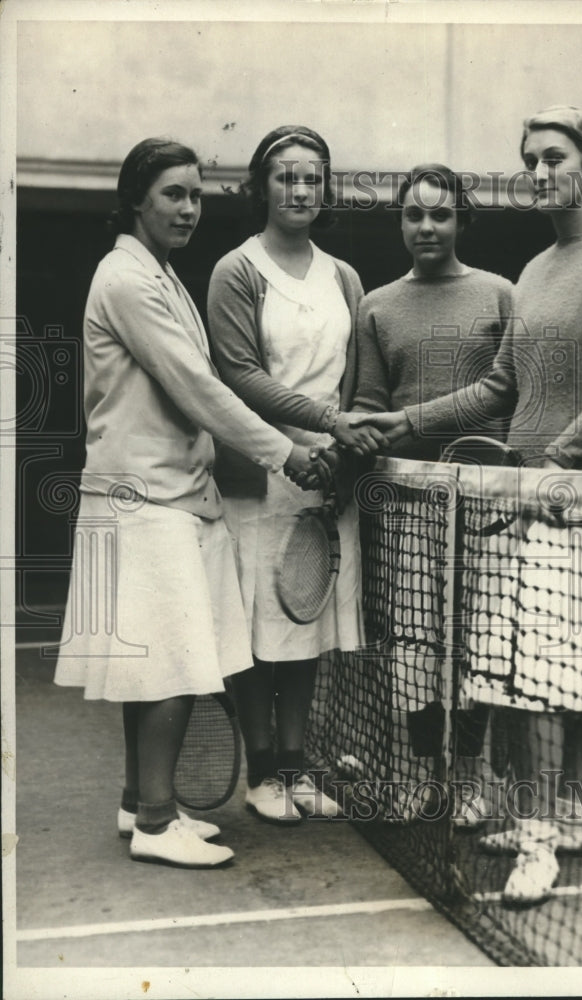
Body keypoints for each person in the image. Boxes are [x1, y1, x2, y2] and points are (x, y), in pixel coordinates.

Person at [359, 107, 582, 901]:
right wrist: (406, 420)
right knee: (531, 669)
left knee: (567, 673)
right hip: (527, 499)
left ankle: (551, 827)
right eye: (528, 160)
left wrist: (556, 462)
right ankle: (551, 814)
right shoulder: (533, 270)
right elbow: (501, 385)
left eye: (553, 157)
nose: (538, 173)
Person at [54, 138, 327, 869]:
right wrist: (289, 454)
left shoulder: (160, 275)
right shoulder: (128, 280)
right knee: (172, 665)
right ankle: (153, 820)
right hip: (144, 501)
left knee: (152, 666)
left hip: (167, 496)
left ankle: (138, 801)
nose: (187, 208)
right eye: (173, 193)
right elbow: (198, 389)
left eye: (197, 195)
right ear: (136, 197)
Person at [206, 125, 386, 825]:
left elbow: (356, 378)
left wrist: (340, 453)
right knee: (259, 629)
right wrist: (312, 436)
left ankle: (295, 764)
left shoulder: (342, 275)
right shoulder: (237, 270)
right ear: (261, 187)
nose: (300, 189)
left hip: (329, 474)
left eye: (312, 177)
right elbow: (239, 376)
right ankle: (261, 774)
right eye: (286, 177)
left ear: (325, 187)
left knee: (305, 625)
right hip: (262, 472)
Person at [352, 163, 514, 826]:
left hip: (483, 504)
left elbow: (509, 392)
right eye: (414, 214)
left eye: (440, 214)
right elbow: (366, 402)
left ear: (461, 222)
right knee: (415, 646)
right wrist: (351, 441)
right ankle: (420, 775)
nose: (426, 226)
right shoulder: (376, 307)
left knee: (479, 643)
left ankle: (472, 782)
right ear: (400, 221)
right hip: (409, 506)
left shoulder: (501, 295)